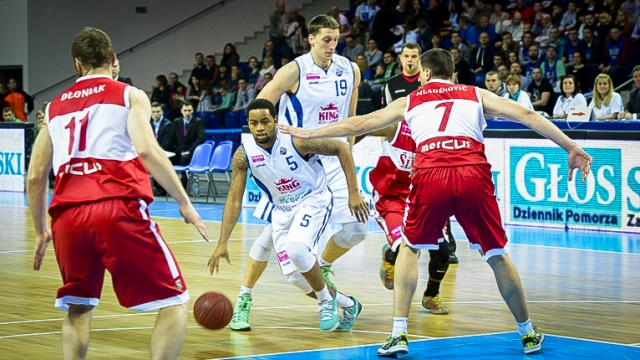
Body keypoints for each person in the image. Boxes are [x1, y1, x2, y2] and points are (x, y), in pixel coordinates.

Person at [280, 47, 593, 357]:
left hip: (432, 174)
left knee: (409, 249)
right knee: (497, 255)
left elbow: (358, 124)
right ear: (452, 74)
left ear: (425, 74)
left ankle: (398, 333)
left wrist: (309, 133)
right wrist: (570, 146)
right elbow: (526, 115)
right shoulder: (475, 93)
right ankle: (527, 332)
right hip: (473, 173)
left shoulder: (411, 100)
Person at [26, 27, 208, 360]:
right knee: (175, 301)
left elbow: (36, 177)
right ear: (113, 60)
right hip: (117, 209)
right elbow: (147, 150)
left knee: (78, 308)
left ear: (77, 65)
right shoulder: (128, 94)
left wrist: (41, 230)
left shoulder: (52, 108)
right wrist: (184, 202)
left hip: (67, 218)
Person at [225, 14, 367, 332]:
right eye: (326, 39)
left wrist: (350, 148)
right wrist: (264, 145)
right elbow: (262, 105)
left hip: (335, 156)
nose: (332, 44)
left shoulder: (351, 69)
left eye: (336, 38)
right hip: (297, 157)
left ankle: (324, 266)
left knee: (358, 230)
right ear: (310, 39)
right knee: (268, 241)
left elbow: (353, 116)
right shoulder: (294, 70)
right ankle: (244, 299)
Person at [208, 98, 368, 332]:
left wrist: (353, 193)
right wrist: (222, 242)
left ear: (275, 121)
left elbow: (341, 148)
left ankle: (326, 301)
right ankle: (348, 304)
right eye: (254, 123)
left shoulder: (296, 140)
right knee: (295, 277)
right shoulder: (244, 156)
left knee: (297, 249)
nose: (260, 128)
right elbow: (234, 199)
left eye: (265, 122)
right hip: (282, 210)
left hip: (313, 199)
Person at [374, 42, 455, 316]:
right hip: (393, 197)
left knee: (443, 252)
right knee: (403, 251)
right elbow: (363, 125)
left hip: (425, 195)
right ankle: (389, 258)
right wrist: (343, 145)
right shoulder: (396, 123)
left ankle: (431, 295)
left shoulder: (439, 127)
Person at [170, 101, 205, 186]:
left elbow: (201, 139)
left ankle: (183, 188)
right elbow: (172, 138)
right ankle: (162, 189)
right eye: (185, 110)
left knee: (184, 158)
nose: (187, 113)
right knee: (166, 159)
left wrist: (190, 151)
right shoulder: (177, 122)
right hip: (179, 151)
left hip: (192, 153)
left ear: (193, 110)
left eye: (189, 110)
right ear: (181, 111)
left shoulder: (198, 122)